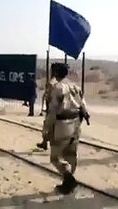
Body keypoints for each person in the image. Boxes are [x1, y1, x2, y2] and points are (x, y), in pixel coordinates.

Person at [43, 63, 87, 194]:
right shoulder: (76, 87)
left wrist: (46, 129)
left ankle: (69, 179)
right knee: (71, 154)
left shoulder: (57, 88)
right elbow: (84, 108)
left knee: (55, 158)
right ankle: (68, 181)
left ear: (55, 73)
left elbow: (52, 112)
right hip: (76, 123)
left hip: (62, 124)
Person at [36, 63, 59, 150]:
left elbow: (48, 96)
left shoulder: (52, 82)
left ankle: (45, 142)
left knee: (47, 126)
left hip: (52, 109)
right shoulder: (63, 81)